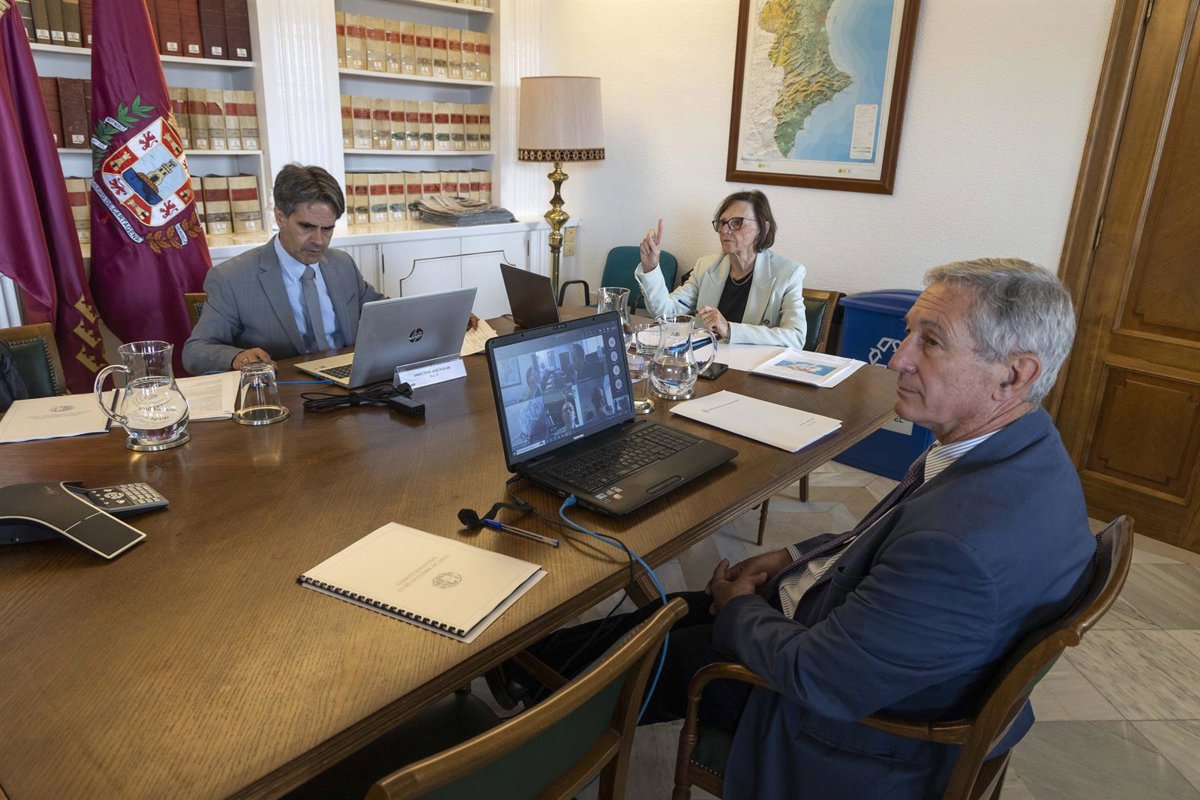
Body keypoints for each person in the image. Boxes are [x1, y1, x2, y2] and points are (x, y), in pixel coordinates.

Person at [509, 259, 1095, 799]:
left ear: (1015, 374)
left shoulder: (959, 546)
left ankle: (522, 738)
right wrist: (792, 555)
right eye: (910, 333)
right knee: (675, 611)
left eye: (932, 341)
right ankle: (522, 671)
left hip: (827, 727)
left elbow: (821, 679)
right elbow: (889, 539)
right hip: (856, 638)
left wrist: (740, 608)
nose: (899, 359)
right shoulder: (1024, 452)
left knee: (652, 656)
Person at [182, 164, 384, 375]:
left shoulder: (342, 264)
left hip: (352, 380)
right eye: (307, 227)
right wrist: (236, 357)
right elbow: (195, 351)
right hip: (285, 386)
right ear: (280, 217)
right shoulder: (232, 278)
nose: (319, 240)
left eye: (327, 229)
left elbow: (383, 313)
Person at [635, 190, 807, 349]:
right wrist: (651, 267)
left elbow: (796, 337)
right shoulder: (706, 266)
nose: (725, 230)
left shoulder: (788, 273)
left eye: (737, 223)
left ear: (763, 229)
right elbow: (666, 313)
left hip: (752, 367)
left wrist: (730, 329)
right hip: (706, 361)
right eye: (722, 223)